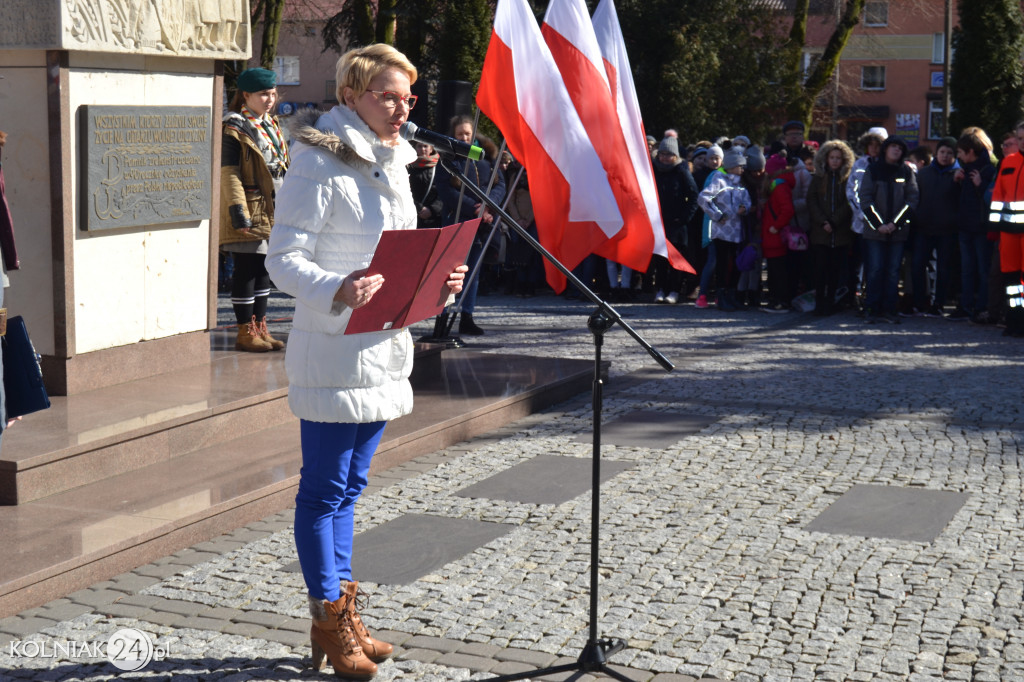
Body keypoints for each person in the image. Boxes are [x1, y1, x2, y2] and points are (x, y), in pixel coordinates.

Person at [265, 44, 467, 681]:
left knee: (350, 489)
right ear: (352, 94)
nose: (401, 107)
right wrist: (337, 287)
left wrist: (438, 282)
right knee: (323, 491)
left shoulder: (396, 161)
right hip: (332, 346)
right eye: (387, 95)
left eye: (407, 97)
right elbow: (281, 260)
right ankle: (330, 620)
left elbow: (393, 255)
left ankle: (345, 616)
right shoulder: (317, 161)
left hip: (381, 348)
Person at [220, 67, 289, 352]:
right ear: (245, 95)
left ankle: (260, 327)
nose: (270, 99)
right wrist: (238, 210)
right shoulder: (235, 126)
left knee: (264, 270)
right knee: (246, 270)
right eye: (263, 94)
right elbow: (229, 172)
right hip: (250, 205)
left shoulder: (269, 123)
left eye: (272, 93)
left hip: (273, 205)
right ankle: (245, 331)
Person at [435, 115, 505, 336]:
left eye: (467, 134)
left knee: (473, 272)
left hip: (481, 225)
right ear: (453, 136)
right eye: (459, 134)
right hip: (457, 222)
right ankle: (442, 319)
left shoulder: (487, 157)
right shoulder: (448, 159)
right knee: (450, 273)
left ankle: (467, 316)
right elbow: (447, 192)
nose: (464, 138)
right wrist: (475, 207)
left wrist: (488, 206)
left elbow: (500, 184)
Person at [858, 136, 919, 323]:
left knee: (893, 271)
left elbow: (912, 199)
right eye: (893, 147)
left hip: (897, 232)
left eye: (900, 148)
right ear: (885, 149)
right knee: (875, 269)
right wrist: (879, 225)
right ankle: (871, 307)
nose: (896, 150)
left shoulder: (907, 172)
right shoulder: (873, 170)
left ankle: (890, 308)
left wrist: (895, 224)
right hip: (874, 232)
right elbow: (865, 198)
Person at [951, 128, 997, 322]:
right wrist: (957, 182)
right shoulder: (965, 170)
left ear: (970, 151)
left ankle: (982, 307)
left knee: (983, 269)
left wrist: (981, 185)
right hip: (965, 227)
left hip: (980, 228)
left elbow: (990, 199)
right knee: (967, 268)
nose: (959, 156)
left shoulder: (988, 170)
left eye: (961, 152)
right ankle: (966, 305)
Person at [698, 146, 751, 311]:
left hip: (736, 231)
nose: (742, 169)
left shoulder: (740, 184)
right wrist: (717, 215)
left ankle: (732, 294)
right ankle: (721, 297)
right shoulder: (719, 180)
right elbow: (703, 198)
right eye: (740, 166)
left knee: (735, 264)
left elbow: (747, 201)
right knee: (722, 263)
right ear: (731, 166)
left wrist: (745, 208)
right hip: (721, 231)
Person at [912, 136, 960, 317]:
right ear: (936, 153)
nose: (945, 156)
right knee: (918, 265)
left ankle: (938, 303)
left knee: (943, 268)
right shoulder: (924, 174)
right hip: (923, 228)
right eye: (942, 152)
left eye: (949, 153)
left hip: (947, 229)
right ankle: (919, 302)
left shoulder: (957, 175)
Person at [807, 140, 855, 316]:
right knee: (820, 271)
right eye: (832, 157)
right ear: (826, 159)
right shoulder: (818, 178)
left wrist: (834, 222)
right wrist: (822, 222)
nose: (835, 161)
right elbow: (811, 201)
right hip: (820, 233)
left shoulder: (847, 179)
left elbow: (849, 202)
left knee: (836, 271)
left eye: (838, 158)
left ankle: (831, 302)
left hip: (840, 232)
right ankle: (819, 302)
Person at [651, 136, 698, 304]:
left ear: (675, 156)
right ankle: (660, 289)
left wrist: (685, 218)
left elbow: (693, 195)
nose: (664, 157)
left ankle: (674, 291)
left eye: (668, 154)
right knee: (660, 259)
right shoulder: (653, 169)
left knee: (676, 259)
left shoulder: (681, 170)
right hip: (658, 222)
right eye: (662, 153)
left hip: (677, 223)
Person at [988, 121, 1024, 337]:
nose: (1022, 142)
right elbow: (998, 196)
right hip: (1008, 232)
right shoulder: (1009, 161)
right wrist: (994, 226)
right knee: (1011, 279)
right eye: (1020, 138)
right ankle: (1014, 320)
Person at [761, 153, 795, 312]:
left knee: (777, 271)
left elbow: (787, 210)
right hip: (771, 235)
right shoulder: (779, 185)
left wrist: (776, 226)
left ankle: (780, 301)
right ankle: (776, 299)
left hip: (774, 235)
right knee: (775, 270)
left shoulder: (780, 186)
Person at [408, 141, 443, 229]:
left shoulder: (440, 166)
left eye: (425, 146)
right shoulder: (408, 166)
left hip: (434, 219)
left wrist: (432, 209)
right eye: (419, 146)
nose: (423, 149)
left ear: (431, 149)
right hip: (413, 217)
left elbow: (444, 191)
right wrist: (418, 208)